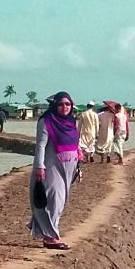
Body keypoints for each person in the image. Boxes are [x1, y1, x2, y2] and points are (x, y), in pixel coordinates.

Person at [30, 92, 81, 249]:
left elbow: (75, 143)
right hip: (52, 166)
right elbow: (40, 146)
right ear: (55, 105)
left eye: (67, 104)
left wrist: (79, 161)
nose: (64, 107)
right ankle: (50, 237)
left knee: (61, 200)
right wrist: (40, 166)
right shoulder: (46, 121)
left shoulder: (71, 122)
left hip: (69, 167)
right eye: (60, 104)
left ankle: (47, 231)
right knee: (54, 199)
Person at [102, 100, 128, 165]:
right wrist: (127, 134)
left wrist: (114, 132)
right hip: (124, 131)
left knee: (117, 145)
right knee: (120, 145)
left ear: (116, 109)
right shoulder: (124, 116)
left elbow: (115, 125)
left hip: (118, 131)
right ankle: (120, 159)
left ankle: (121, 159)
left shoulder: (116, 116)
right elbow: (127, 125)